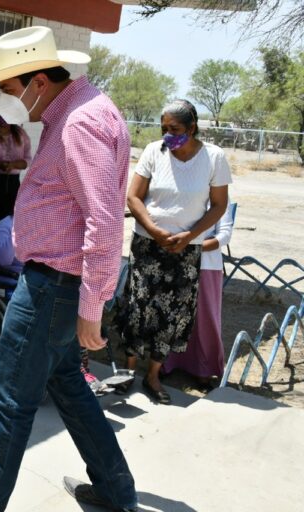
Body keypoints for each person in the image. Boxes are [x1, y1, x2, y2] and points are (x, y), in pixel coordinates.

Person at [0, 26, 138, 512]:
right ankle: (117, 493)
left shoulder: (78, 123)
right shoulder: (82, 110)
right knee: (70, 389)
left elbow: (103, 216)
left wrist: (93, 304)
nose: (5, 101)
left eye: (8, 89)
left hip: (52, 286)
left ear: (37, 80)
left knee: (11, 401)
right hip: (58, 282)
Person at [118, 99, 231, 404]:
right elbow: (133, 196)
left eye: (175, 129)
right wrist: (153, 230)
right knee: (139, 306)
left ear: (192, 128)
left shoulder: (214, 157)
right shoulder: (154, 152)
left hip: (186, 249)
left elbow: (219, 205)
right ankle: (128, 371)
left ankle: (152, 375)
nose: (168, 134)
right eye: (164, 128)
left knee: (173, 315)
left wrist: (190, 236)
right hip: (147, 246)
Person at [0, 215, 107, 395]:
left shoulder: (45, 221)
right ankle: (67, 371)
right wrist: (21, 228)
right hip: (18, 281)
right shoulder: (4, 227)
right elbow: (2, 259)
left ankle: (75, 367)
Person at [162, 204, 234, 389]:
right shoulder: (185, 192)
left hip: (208, 265)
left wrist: (191, 247)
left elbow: (225, 234)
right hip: (175, 263)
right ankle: (168, 362)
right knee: (173, 315)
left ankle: (204, 369)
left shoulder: (219, 199)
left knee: (206, 319)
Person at [0, 110, 31, 230]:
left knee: (10, 219)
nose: (4, 118)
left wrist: (14, 164)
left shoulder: (20, 133)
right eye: (1, 114)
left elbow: (28, 160)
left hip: (13, 183)